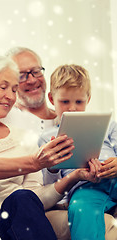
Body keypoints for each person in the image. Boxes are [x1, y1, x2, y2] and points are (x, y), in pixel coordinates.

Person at [0, 55, 100, 240]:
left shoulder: (23, 137)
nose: (10, 96)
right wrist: (34, 162)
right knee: (21, 199)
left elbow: (36, 198)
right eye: (3, 87)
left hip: (18, 219)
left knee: (23, 198)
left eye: (14, 89)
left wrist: (75, 176)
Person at [39, 64, 117, 240]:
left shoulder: (109, 125)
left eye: (79, 102)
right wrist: (52, 166)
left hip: (114, 177)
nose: (72, 108)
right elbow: (49, 184)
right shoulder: (47, 138)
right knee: (82, 208)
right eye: (65, 101)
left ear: (88, 99)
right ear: (51, 99)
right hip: (86, 186)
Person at [1, 47, 56, 137]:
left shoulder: (64, 118)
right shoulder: (3, 122)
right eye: (21, 76)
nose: (32, 80)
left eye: (36, 71)